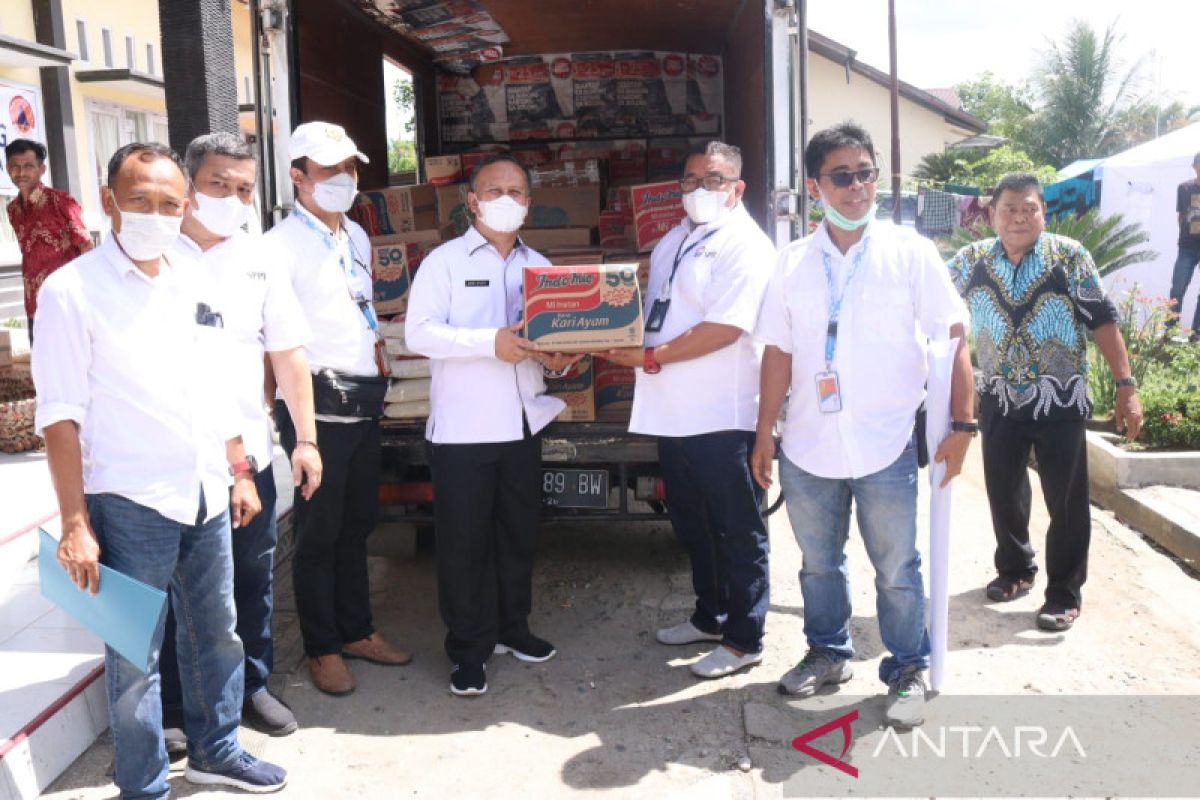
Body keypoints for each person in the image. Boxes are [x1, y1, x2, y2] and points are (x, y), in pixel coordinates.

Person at [31, 142, 287, 797]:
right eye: (139, 200)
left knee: (218, 633)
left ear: (186, 206)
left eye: (170, 203)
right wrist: (74, 522)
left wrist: (239, 468)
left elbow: (217, 383)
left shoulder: (193, 276)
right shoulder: (71, 291)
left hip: (204, 490)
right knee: (134, 658)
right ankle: (143, 785)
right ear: (108, 197)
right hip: (127, 500)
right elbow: (60, 417)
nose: (155, 214)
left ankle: (216, 750)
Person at [752, 122, 975, 728]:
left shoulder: (911, 252)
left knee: (898, 569)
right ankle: (828, 653)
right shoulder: (792, 262)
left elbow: (953, 339)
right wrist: (764, 432)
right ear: (814, 185)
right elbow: (777, 351)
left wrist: (963, 423)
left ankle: (906, 668)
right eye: (842, 176)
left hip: (887, 445)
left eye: (866, 173)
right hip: (807, 445)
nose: (856, 187)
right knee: (817, 564)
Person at [155, 132, 322, 740]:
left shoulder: (261, 258)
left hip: (247, 453)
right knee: (174, 586)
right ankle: (174, 708)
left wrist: (305, 439)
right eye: (218, 185)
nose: (232, 198)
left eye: (244, 188)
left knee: (251, 579)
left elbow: (287, 354)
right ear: (189, 184)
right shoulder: (153, 253)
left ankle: (251, 686)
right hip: (169, 455)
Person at [603, 141, 776, 679]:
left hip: (722, 415)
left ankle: (745, 637)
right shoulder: (674, 239)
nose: (700, 190)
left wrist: (650, 357)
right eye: (690, 180)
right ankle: (711, 614)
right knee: (693, 524)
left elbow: (727, 327)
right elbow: (654, 311)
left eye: (714, 179)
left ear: (737, 188)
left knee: (737, 528)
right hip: (672, 411)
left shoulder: (747, 245)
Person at [406, 153, 577, 697]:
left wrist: (561, 360)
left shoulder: (543, 266)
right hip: (463, 432)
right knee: (464, 545)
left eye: (518, 191)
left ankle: (512, 628)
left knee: (517, 537)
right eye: (495, 190)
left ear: (529, 202)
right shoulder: (445, 262)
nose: (507, 200)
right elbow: (419, 334)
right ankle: (468, 649)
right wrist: (488, 343)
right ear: (473, 201)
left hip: (523, 426)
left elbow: (557, 340)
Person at [946, 172, 1141, 632]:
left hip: (1061, 397)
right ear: (991, 215)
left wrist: (1126, 386)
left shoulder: (1070, 257)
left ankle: (1064, 593)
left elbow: (1104, 322)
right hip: (997, 396)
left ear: (1043, 213)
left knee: (1066, 501)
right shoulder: (969, 261)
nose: (1018, 217)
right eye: (1008, 208)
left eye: (1028, 208)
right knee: (1003, 491)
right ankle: (1015, 569)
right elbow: (931, 306)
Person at [264, 121, 411, 696]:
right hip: (314, 409)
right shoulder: (278, 248)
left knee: (358, 525)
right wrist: (299, 431)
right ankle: (322, 647)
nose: (344, 180)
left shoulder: (356, 236)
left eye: (350, 168)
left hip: (361, 397)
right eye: (329, 171)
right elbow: (281, 344)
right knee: (319, 532)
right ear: (298, 176)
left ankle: (358, 630)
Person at [4, 138, 92, 339]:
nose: (21, 172)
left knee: (69, 365)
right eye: (15, 167)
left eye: (28, 166)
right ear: (8, 169)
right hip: (33, 302)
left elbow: (86, 247)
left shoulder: (61, 202)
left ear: (42, 169)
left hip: (65, 302)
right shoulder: (13, 210)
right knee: (41, 364)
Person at [1168, 152, 1200, 338]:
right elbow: (1181, 216)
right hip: (1187, 245)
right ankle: (1171, 327)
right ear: (1194, 167)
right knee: (1178, 288)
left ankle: (1197, 332)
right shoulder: (1184, 188)